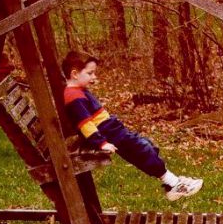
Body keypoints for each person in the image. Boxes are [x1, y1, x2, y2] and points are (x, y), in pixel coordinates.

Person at [62, 50, 203, 201]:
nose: (94, 77)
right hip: (110, 133)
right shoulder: (74, 96)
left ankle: (172, 181)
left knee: (147, 146)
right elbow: (85, 124)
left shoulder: (77, 91)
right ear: (75, 74)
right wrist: (101, 143)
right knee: (143, 150)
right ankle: (173, 184)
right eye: (90, 73)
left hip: (112, 129)